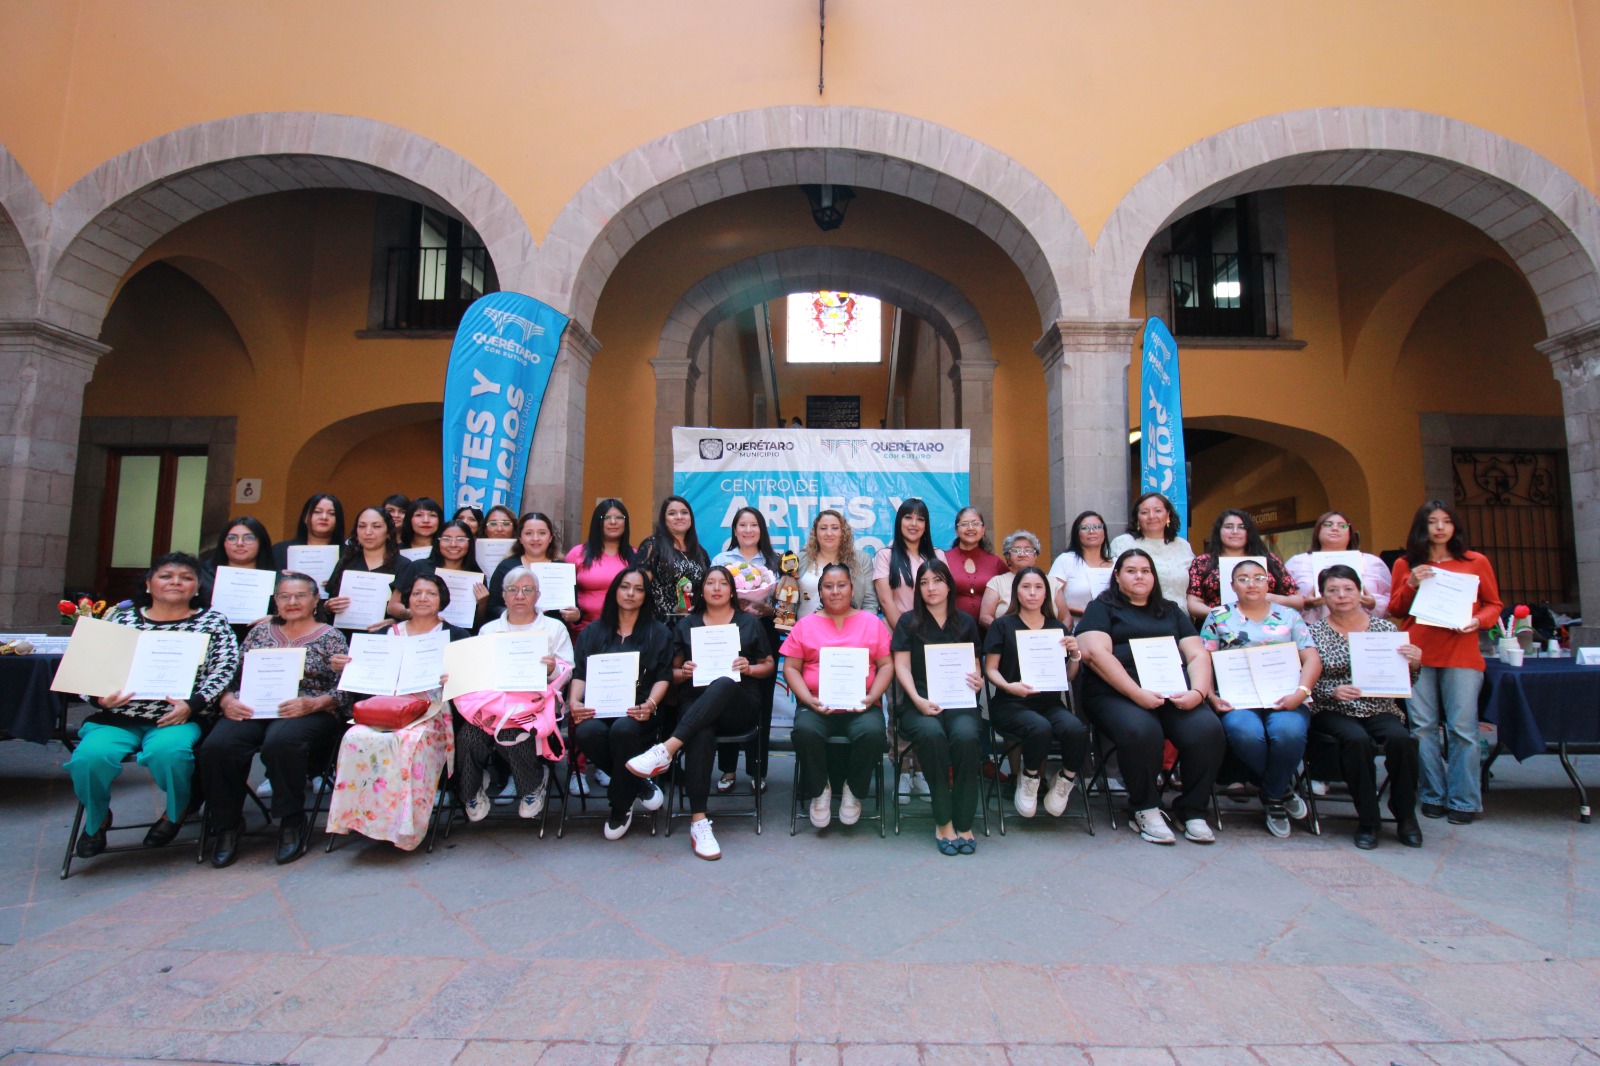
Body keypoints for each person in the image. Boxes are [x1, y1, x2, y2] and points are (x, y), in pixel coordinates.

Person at [64, 553, 240, 858]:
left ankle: (174, 811)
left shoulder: (212, 621)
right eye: (166, 576)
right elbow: (88, 667)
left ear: (197, 587)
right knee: (89, 759)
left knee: (169, 754)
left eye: (185, 577)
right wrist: (98, 698)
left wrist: (193, 704)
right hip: (119, 716)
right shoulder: (121, 619)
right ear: (148, 584)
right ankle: (97, 820)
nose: (175, 582)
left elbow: (225, 668)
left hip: (179, 718)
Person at [200, 572, 350, 867]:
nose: (292, 602)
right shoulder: (259, 633)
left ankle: (291, 820)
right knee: (217, 746)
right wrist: (228, 700)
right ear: (275, 601)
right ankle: (227, 825)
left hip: (308, 709)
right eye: (285, 596)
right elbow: (231, 676)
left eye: (300, 596)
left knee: (281, 742)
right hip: (253, 707)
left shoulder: (331, 636)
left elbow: (346, 690)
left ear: (315, 600)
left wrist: (315, 703)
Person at [626, 566, 775, 860]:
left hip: (739, 703)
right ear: (701, 590)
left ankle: (667, 749)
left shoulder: (748, 622)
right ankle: (699, 822)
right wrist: (683, 672)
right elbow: (672, 674)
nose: (716, 588)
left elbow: (768, 663)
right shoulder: (687, 625)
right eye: (710, 583)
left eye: (723, 583)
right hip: (696, 705)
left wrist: (750, 668)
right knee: (701, 732)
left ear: (732, 590)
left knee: (723, 683)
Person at [1076, 548, 1223, 845]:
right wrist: (1137, 693)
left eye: (1145, 570)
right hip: (1116, 693)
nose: (1139, 576)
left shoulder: (1170, 610)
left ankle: (1192, 809)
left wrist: (1197, 692)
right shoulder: (1101, 607)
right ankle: (1145, 808)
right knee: (1143, 730)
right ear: (1117, 576)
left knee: (1207, 731)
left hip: (1173, 690)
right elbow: (1094, 653)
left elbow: (1197, 654)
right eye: (1131, 570)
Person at [326, 573, 468, 851]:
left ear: (442, 600)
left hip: (433, 710)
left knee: (409, 743)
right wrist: (348, 667)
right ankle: (362, 819)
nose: (423, 599)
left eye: (431, 593)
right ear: (407, 599)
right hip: (387, 708)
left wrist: (454, 679)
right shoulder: (386, 634)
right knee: (355, 738)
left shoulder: (456, 635)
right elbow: (367, 677)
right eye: (417, 593)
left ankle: (403, 824)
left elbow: (467, 685)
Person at [1387, 500, 1503, 824]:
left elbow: (1494, 605)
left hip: (1462, 652)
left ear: (1455, 527)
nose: (1440, 527)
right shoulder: (1405, 564)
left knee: (1463, 729)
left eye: (1446, 521)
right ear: (1421, 527)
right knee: (1422, 728)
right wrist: (1411, 583)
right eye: (1432, 521)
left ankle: (1464, 800)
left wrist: (1478, 621)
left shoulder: (1475, 561)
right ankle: (1432, 795)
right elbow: (1395, 610)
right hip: (1416, 652)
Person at [1199, 559, 1322, 838]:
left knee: (1288, 732)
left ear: (1269, 583)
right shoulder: (1218, 616)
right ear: (1232, 586)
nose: (1251, 584)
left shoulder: (1288, 615)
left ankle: (1272, 794)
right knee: (1245, 733)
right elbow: (1202, 658)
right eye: (1243, 579)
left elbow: (1312, 657)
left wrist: (1300, 693)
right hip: (1238, 699)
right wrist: (1210, 695)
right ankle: (1280, 790)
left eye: (1258, 578)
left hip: (1285, 696)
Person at [1307, 564, 1424, 849]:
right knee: (1356, 741)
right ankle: (1368, 819)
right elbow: (1306, 682)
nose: (1342, 596)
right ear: (1322, 596)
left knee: (1402, 740)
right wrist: (1332, 690)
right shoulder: (1314, 632)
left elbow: (1407, 680)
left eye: (1348, 589)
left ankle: (1404, 812)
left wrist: (1415, 663)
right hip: (1332, 708)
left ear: (1360, 593)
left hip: (1379, 706)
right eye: (1333, 590)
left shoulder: (1384, 628)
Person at [457, 567, 575, 823]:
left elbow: (568, 671)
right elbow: (477, 671)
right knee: (468, 735)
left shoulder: (554, 628)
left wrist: (554, 669)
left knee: (514, 730)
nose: (520, 595)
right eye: (513, 590)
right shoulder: (489, 631)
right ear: (504, 596)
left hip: (534, 707)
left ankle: (532, 786)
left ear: (537, 595)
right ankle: (472, 789)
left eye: (527, 590)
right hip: (492, 706)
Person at [782, 563, 893, 830]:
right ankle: (821, 790)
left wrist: (872, 696)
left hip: (863, 705)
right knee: (805, 731)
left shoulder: (871, 623)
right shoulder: (805, 625)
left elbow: (886, 665)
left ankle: (853, 790)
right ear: (820, 591)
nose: (835, 591)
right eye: (828, 586)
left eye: (841, 585)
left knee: (873, 733)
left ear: (852, 588)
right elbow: (791, 668)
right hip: (817, 704)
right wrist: (808, 700)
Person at [569, 567, 671, 840]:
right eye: (625, 587)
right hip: (599, 709)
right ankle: (638, 781)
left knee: (622, 730)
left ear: (646, 596)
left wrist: (650, 704)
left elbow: (664, 677)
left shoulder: (658, 632)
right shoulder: (592, 633)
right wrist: (574, 701)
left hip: (639, 712)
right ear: (614, 590)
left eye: (639, 589)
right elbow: (580, 673)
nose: (630, 593)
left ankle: (619, 807)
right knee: (586, 732)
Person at [892, 559, 985, 853]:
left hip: (959, 703)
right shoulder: (908, 622)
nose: (931, 588)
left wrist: (978, 680)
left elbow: (975, 666)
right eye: (924, 582)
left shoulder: (966, 622)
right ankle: (944, 819)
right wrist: (917, 700)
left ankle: (965, 820)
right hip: (919, 703)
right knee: (931, 735)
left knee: (968, 737)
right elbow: (901, 667)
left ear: (949, 585)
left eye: (938, 581)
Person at [983, 566, 1089, 820]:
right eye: (1026, 587)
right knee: (1039, 727)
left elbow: (1069, 677)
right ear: (1016, 591)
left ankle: (1065, 780)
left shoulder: (1057, 629)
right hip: (1010, 703)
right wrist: (1010, 686)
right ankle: (1029, 780)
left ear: (1047, 594)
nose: (1032, 593)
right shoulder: (1002, 625)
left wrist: (1075, 655)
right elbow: (991, 669)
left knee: (1076, 730)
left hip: (1050, 704)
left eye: (1038, 587)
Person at [710, 506, 781, 794]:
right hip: (728, 631)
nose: (748, 530)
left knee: (761, 702)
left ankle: (757, 770)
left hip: (764, 631)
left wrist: (770, 609)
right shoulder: (721, 560)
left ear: (761, 529)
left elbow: (786, 603)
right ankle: (727, 769)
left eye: (754, 525)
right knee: (725, 697)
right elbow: (710, 594)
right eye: (742, 525)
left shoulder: (776, 561)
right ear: (735, 529)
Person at [1186, 509, 1303, 621]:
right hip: (1217, 628)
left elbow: (1297, 601)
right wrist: (1221, 615)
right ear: (1219, 531)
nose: (1235, 531)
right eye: (1228, 527)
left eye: (1242, 527)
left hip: (1268, 627)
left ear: (1249, 532)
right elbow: (1193, 603)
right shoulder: (1202, 562)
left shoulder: (1270, 560)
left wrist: (1270, 598)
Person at [1284, 511, 1393, 624]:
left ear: (1350, 533)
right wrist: (1305, 604)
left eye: (1342, 526)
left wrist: (1374, 604)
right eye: (1328, 524)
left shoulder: (1373, 562)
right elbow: (1280, 602)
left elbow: (1392, 603)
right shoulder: (1297, 562)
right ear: (1317, 530)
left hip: (1365, 630)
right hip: (1311, 631)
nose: (1335, 528)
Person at [485, 511, 581, 626]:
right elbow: (492, 608)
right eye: (529, 533)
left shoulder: (563, 569)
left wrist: (576, 616)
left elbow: (575, 608)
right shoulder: (506, 567)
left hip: (552, 635)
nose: (535, 538)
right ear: (520, 538)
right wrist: (514, 612)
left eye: (542, 533)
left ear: (550, 538)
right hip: (514, 632)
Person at [388, 519, 487, 629]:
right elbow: (392, 606)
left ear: (470, 542)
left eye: (460, 539)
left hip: (459, 637)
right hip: (418, 631)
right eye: (446, 539)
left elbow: (479, 624)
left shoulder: (476, 576)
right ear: (438, 541)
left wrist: (483, 604)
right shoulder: (418, 567)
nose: (453, 544)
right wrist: (421, 614)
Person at [198, 515, 277, 639]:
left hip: (260, 641)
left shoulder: (279, 578)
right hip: (211, 640)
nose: (239, 543)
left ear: (261, 542)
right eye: (232, 538)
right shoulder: (202, 574)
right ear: (223, 542)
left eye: (249, 538)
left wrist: (276, 620)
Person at [324, 505, 400, 632]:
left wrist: (395, 622)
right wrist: (328, 606)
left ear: (388, 532)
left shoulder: (402, 565)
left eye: (376, 526)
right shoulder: (346, 561)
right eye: (362, 526)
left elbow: (411, 609)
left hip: (383, 638)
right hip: (343, 636)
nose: (368, 532)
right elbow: (327, 600)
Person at [874, 498, 945, 631]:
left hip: (933, 632)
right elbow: (886, 601)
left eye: (920, 519)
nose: (914, 524)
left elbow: (945, 597)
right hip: (897, 632)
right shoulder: (885, 556)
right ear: (899, 522)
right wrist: (905, 635)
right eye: (908, 518)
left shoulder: (938, 555)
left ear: (926, 526)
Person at [1109, 492, 1194, 603]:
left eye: (1158, 511)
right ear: (1137, 517)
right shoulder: (1122, 543)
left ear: (1168, 514)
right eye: (1144, 512)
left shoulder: (1183, 546)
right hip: (1134, 616)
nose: (1151, 516)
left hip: (1178, 616)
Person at [565, 498, 635, 632]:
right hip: (583, 631)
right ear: (598, 521)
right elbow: (562, 591)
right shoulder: (577, 553)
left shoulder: (636, 556)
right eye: (607, 517)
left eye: (619, 517)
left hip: (624, 633)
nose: (613, 522)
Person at [635, 495, 710, 619]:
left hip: (693, 625)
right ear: (664, 519)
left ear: (691, 518)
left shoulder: (700, 551)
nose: (679, 517)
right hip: (659, 624)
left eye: (684, 513)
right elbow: (639, 586)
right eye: (672, 513)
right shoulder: (652, 546)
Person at [793, 509, 877, 619]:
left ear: (843, 532)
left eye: (835, 528)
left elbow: (870, 603)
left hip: (850, 632)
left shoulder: (862, 560)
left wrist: (863, 629)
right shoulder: (799, 559)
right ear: (815, 532)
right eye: (823, 528)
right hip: (805, 632)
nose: (829, 533)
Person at [1049, 510, 1116, 621]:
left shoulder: (1118, 563)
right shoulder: (1065, 561)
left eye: (1097, 527)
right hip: (1077, 625)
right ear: (1077, 534)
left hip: (1114, 625)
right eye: (1085, 528)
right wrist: (1086, 612)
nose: (1092, 531)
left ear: (1104, 532)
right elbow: (1051, 596)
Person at [945, 506, 1007, 625]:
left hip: (988, 631)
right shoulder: (943, 559)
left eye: (975, 523)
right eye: (964, 524)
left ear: (983, 529)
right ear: (956, 531)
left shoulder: (995, 562)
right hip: (952, 630)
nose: (970, 528)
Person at [978, 530, 1051, 628]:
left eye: (1028, 550)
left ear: (1035, 556)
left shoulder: (1051, 581)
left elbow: (1066, 618)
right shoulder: (997, 582)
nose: (1022, 554)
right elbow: (985, 617)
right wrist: (1005, 633)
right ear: (1008, 557)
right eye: (1016, 550)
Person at [272, 493, 345, 570]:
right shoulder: (280, 550)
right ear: (305, 517)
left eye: (332, 513)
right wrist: (282, 577)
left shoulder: (349, 555)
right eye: (317, 512)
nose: (324, 517)